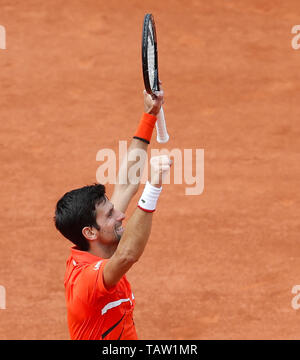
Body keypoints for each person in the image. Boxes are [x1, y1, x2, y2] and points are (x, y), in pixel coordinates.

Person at [54, 88, 172, 340]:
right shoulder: (86, 281)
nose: (120, 216)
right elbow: (128, 255)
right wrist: (153, 188)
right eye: (109, 215)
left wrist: (149, 114)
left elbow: (127, 183)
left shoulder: (95, 242)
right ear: (90, 232)